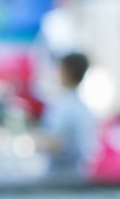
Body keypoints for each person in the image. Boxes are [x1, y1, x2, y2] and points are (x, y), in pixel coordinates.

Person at [37, 50, 100, 179]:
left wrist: (33, 142)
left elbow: (55, 144)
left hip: (59, 178)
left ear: (66, 72)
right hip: (80, 175)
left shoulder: (62, 106)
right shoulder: (85, 108)